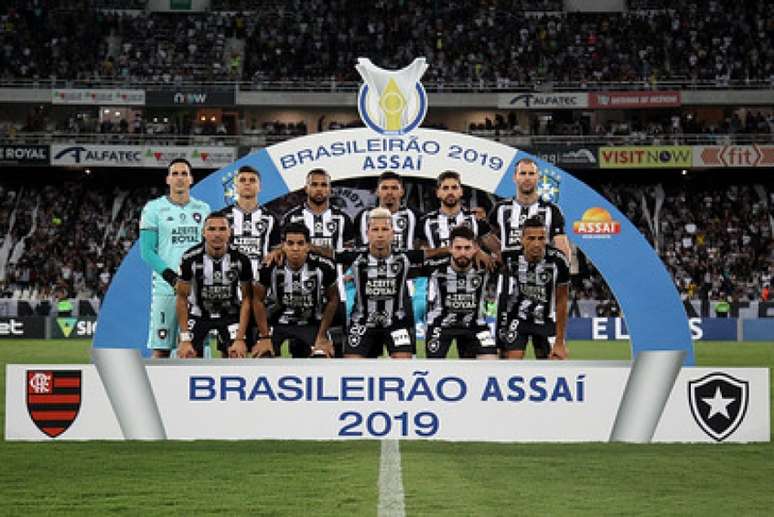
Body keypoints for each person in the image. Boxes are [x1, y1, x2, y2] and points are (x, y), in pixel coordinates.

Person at [328, 208, 448, 359]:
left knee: (403, 364)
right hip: (362, 323)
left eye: (385, 229)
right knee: (352, 366)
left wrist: (473, 251)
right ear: (368, 233)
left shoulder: (404, 257)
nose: (380, 234)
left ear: (392, 233)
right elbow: (325, 253)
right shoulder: (356, 257)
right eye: (375, 229)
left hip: (396, 323)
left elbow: (437, 252)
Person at [278, 168, 354, 357]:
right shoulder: (292, 217)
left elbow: (348, 255)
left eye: (324, 185)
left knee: (336, 347)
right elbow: (284, 252)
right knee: (300, 350)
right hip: (300, 294)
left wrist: (337, 275)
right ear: (306, 188)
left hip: (334, 293)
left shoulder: (343, 219)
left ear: (330, 190)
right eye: (314, 184)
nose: (319, 189)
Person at [139, 158, 210, 358]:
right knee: (161, 349)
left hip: (197, 290)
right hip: (167, 288)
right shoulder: (153, 208)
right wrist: (172, 278)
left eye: (184, 174)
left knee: (196, 349)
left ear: (191, 179)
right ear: (168, 179)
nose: (180, 178)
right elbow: (146, 251)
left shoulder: (203, 209)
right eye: (175, 174)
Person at [251, 222, 339, 358]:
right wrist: (264, 337)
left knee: (322, 358)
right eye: (290, 243)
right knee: (263, 355)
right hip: (277, 323)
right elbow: (257, 300)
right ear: (283, 246)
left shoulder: (325, 266)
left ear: (308, 246)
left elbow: (333, 300)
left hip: (311, 324)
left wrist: (322, 335)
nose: (295, 248)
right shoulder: (269, 266)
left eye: (300, 243)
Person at [175, 212, 253, 359]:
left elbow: (247, 299)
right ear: (203, 232)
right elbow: (181, 298)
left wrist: (240, 338)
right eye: (211, 229)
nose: (217, 234)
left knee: (238, 354)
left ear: (230, 232)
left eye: (222, 229)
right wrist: (185, 338)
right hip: (199, 315)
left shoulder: (241, 259)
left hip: (230, 315)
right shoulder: (189, 259)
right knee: (187, 355)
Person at [496, 216, 570, 360]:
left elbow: (562, 300)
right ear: (522, 239)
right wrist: (500, 338)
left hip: (546, 320)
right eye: (531, 238)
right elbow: (503, 296)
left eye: (541, 238)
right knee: (511, 361)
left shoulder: (558, 261)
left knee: (557, 361)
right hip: (518, 318)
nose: (536, 244)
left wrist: (560, 342)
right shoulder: (510, 257)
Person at [223, 165, 280, 344]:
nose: (247, 184)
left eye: (252, 180)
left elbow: (277, 251)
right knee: (232, 349)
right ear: (236, 186)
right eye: (243, 180)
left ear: (260, 186)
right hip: (230, 293)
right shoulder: (222, 218)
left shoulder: (270, 219)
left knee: (261, 346)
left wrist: (276, 252)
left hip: (261, 293)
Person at [423, 225, 497, 359]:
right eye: (458, 248)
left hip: (476, 325)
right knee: (434, 367)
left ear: (475, 248)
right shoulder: (435, 267)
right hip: (441, 324)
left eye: (467, 248)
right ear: (450, 248)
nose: (463, 252)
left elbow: (509, 259)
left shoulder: (485, 265)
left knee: (490, 362)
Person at [489, 158, 570, 258]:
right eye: (523, 173)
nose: (527, 178)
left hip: (541, 270)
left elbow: (561, 246)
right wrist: (499, 252)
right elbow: (485, 235)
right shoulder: (500, 208)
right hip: (509, 270)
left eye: (531, 174)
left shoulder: (551, 209)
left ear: (538, 177)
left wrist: (563, 269)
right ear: (515, 177)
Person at [420, 170, 501, 258]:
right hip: (439, 270)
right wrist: (475, 250)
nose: (450, 192)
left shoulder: (475, 218)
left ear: (461, 191)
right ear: (438, 193)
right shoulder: (426, 222)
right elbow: (422, 255)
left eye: (454, 187)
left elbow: (498, 249)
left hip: (471, 271)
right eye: (445, 188)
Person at [354, 171, 418, 251]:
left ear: (402, 192)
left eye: (394, 188)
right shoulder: (363, 216)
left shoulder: (414, 216)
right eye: (384, 188)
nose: (389, 192)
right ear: (377, 192)